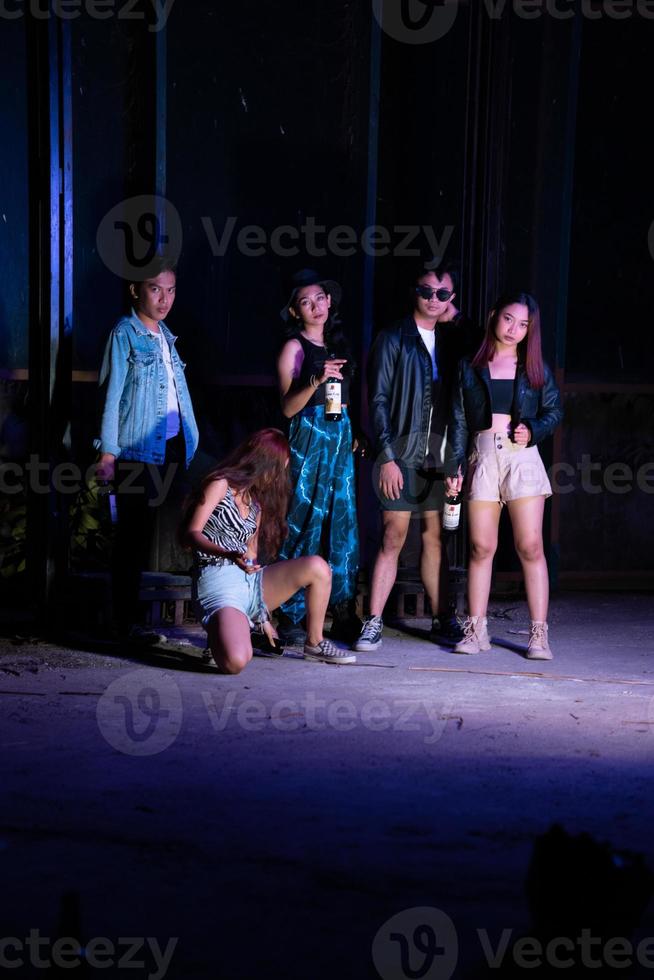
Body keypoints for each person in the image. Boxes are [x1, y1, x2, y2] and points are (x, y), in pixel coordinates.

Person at [355, 262, 481, 652]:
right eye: (427, 292)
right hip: (401, 455)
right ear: (415, 292)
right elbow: (376, 401)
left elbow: (481, 347)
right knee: (393, 536)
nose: (433, 300)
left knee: (434, 539)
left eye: (442, 294)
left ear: (451, 299)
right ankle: (372, 622)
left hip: (437, 458)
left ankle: (444, 620)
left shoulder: (450, 342)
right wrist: (387, 456)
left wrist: (455, 460)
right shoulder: (393, 338)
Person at [445, 291, 563, 660]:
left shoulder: (535, 367)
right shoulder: (469, 365)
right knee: (481, 547)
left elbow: (554, 411)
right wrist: (455, 466)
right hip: (482, 456)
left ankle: (539, 635)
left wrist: (533, 428)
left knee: (530, 545)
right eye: (509, 319)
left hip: (521, 458)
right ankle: (475, 630)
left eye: (524, 324)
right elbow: (459, 420)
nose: (514, 329)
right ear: (494, 315)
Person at [181, 428, 356, 672]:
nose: (279, 476)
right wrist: (227, 553)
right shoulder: (220, 484)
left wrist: (262, 616)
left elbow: (251, 560)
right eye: (277, 469)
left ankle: (315, 643)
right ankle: (220, 635)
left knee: (318, 568)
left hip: (249, 587)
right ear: (262, 462)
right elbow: (192, 534)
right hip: (219, 585)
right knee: (236, 662)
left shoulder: (255, 504)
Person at [95, 256, 199, 642]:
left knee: (172, 529)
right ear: (136, 290)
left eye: (171, 290)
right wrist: (107, 453)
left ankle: (162, 618)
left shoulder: (166, 335)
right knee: (133, 539)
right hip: (138, 451)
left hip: (173, 447)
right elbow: (112, 394)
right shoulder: (125, 333)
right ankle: (125, 623)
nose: (164, 298)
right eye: (156, 288)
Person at [275, 268, 362, 646]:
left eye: (321, 298)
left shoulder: (339, 344)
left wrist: (352, 430)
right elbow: (288, 409)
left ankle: (342, 611)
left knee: (342, 523)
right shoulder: (294, 349)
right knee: (305, 520)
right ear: (295, 311)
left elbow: (343, 399)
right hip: (308, 440)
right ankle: (290, 612)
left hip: (338, 438)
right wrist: (313, 379)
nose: (316, 306)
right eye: (306, 301)